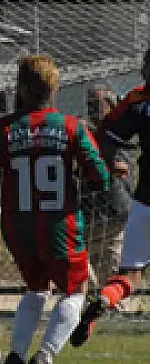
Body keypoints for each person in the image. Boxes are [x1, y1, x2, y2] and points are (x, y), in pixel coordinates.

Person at [0, 55, 109, 364]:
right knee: (74, 291)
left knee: (36, 287)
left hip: (16, 224)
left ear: (21, 89)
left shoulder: (3, 129)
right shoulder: (71, 126)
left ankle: (16, 355)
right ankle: (44, 356)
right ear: (54, 88)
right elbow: (99, 177)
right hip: (59, 225)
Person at [71, 48, 150, 347]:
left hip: (145, 201)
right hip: (127, 204)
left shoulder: (137, 100)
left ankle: (104, 298)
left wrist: (99, 167)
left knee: (130, 274)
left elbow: (103, 139)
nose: (142, 71)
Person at [79, 85, 132, 297]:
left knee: (109, 279)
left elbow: (121, 168)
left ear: (111, 106)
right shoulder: (84, 132)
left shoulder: (117, 131)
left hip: (112, 216)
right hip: (86, 217)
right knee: (87, 284)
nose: (92, 110)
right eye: (89, 104)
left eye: (96, 104)